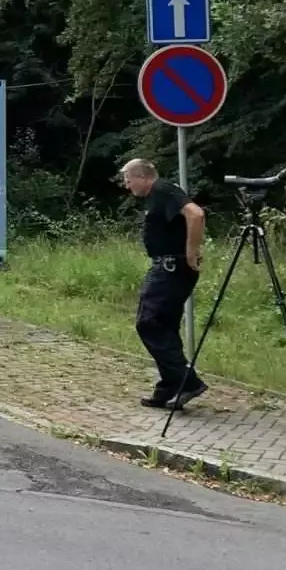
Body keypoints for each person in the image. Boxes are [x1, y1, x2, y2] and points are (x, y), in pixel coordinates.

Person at [120, 157, 207, 409]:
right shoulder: (157, 195)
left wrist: (191, 251)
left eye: (129, 180)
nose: (127, 185)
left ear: (143, 177)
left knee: (148, 322)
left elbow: (196, 214)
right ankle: (169, 386)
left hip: (171, 268)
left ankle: (187, 382)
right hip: (170, 267)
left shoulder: (163, 190)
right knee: (165, 326)